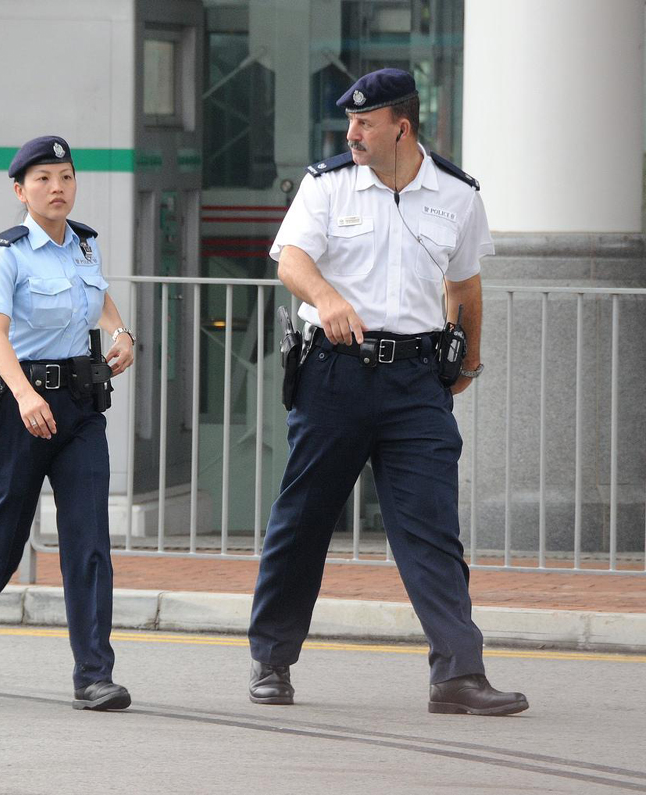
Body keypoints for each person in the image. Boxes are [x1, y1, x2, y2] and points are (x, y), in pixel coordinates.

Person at [247, 69, 528, 715]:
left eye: (364, 123)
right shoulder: (327, 185)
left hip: (415, 380)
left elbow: (465, 286)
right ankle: (272, 660)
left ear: (400, 125)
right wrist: (326, 298)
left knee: (432, 529)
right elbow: (290, 259)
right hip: (333, 375)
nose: (351, 134)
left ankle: (457, 674)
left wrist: (469, 361)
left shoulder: (456, 194)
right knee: (303, 520)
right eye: (350, 122)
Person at [0, 135, 136, 711]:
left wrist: (122, 333)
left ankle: (94, 675)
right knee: (3, 543)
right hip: (22, 409)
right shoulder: (7, 252)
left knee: (89, 542)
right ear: (21, 191)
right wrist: (23, 397)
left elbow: (102, 299)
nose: (57, 187)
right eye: (43, 179)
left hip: (81, 410)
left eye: (65, 176)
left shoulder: (85, 246)